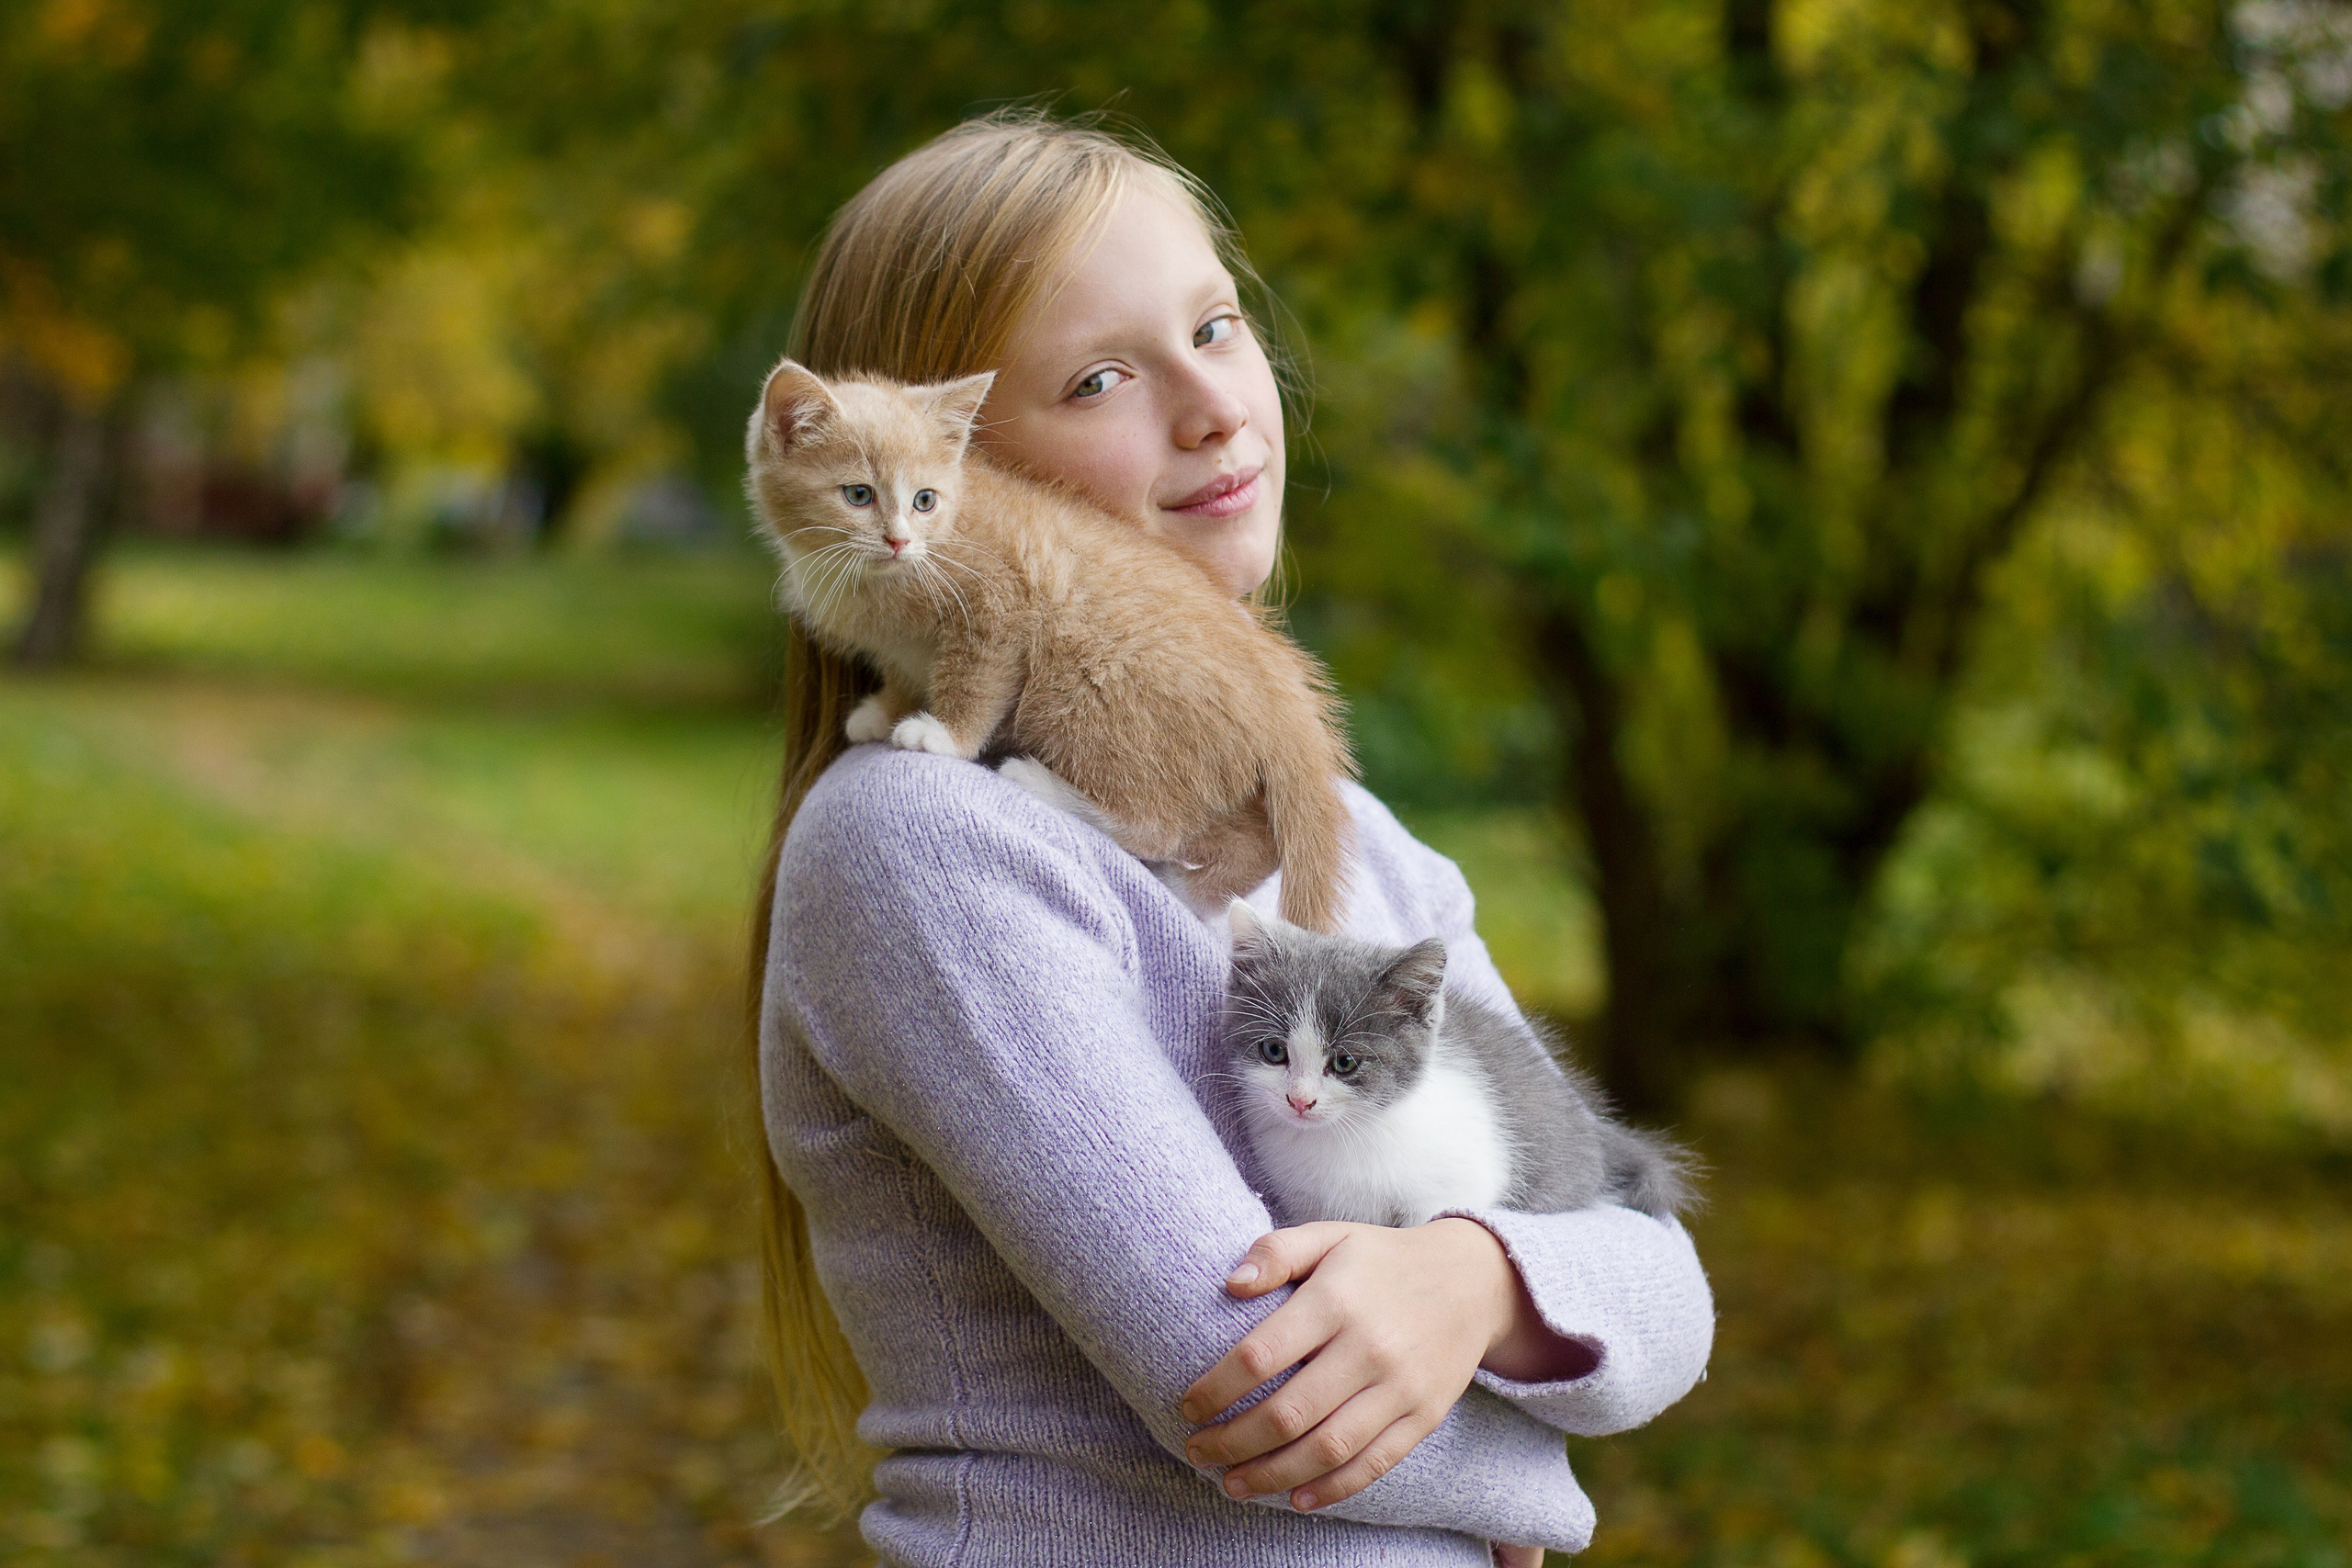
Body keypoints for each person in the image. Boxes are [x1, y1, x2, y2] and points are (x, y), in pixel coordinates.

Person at [750, 111, 1714, 1568]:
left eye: (1217, 325)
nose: (1213, 405)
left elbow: (1661, 1272)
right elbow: (1247, 1386)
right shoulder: (924, 843)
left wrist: (1475, 1282)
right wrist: (1544, 1482)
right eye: (1100, 379)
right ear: (961, 471)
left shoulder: (1362, 847)